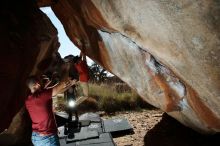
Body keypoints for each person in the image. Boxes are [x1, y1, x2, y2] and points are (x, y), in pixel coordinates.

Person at [25, 75, 77, 146]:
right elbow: (57, 88)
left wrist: (70, 84)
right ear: (37, 84)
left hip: (35, 137)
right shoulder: (42, 96)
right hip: (47, 138)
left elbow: (56, 92)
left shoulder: (28, 100)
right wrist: (68, 80)